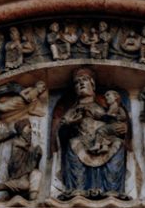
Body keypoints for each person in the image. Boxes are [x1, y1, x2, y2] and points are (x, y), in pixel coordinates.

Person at [55, 68, 129, 199]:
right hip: (82, 141)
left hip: (103, 141)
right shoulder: (73, 110)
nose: (81, 84)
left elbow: (116, 122)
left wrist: (123, 128)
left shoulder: (104, 106)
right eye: (77, 82)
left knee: (118, 144)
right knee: (73, 143)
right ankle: (78, 189)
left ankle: (112, 190)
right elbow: (61, 132)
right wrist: (71, 123)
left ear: (93, 84)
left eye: (85, 80)